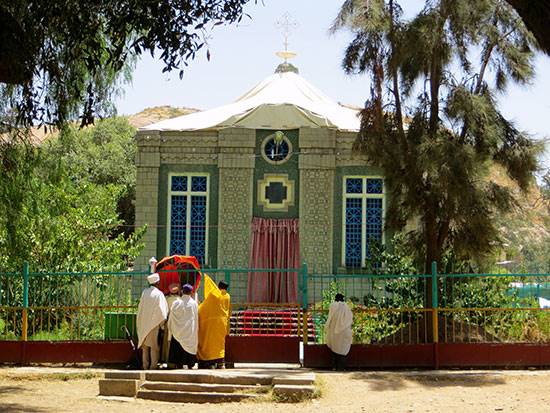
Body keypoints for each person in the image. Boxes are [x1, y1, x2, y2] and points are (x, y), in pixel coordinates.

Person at [137, 273, 169, 370]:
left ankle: (145, 365)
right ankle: (153, 366)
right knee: (154, 347)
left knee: (145, 347)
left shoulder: (144, 293)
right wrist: (162, 324)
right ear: (157, 282)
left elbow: (140, 309)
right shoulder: (159, 294)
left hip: (144, 323)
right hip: (154, 324)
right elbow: (162, 311)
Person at [197, 277, 231, 369]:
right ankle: (220, 362)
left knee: (210, 342)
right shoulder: (227, 296)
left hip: (212, 323)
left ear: (218, 287)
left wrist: (199, 307)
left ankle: (209, 360)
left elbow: (204, 307)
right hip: (222, 322)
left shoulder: (214, 295)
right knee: (220, 343)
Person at [168, 283, 199, 369]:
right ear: (190, 292)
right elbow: (196, 317)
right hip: (189, 331)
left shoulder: (176, 302)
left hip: (177, 331)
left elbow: (172, 315)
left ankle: (178, 363)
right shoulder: (194, 304)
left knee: (177, 345)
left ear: (182, 291)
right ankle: (189, 363)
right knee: (188, 346)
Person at [325, 293, 353, 371]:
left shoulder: (332, 305)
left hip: (334, 331)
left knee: (334, 348)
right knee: (343, 349)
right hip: (344, 331)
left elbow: (330, 317)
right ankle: (342, 367)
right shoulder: (346, 307)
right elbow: (350, 318)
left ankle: (334, 366)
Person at [161, 283, 182, 367]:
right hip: (177, 322)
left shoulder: (166, 299)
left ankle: (165, 358)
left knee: (166, 340)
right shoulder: (180, 300)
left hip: (168, 320)